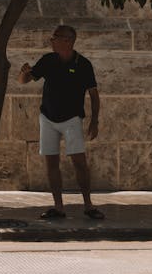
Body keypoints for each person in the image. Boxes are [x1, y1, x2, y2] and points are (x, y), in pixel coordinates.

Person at [19, 24, 104, 220]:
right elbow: (25, 79)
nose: (51, 40)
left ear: (67, 41)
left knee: (79, 163)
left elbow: (94, 94)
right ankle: (58, 207)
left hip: (72, 119)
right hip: (48, 117)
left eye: (55, 37)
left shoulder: (83, 64)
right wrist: (24, 72)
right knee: (51, 162)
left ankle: (89, 205)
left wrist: (95, 120)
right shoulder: (48, 60)